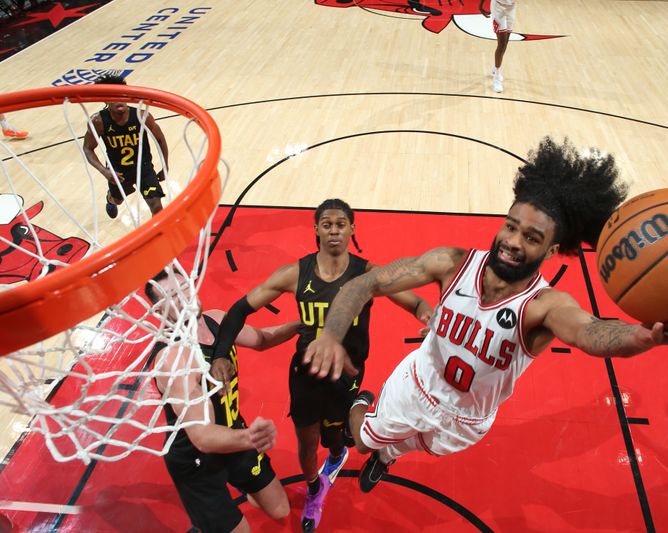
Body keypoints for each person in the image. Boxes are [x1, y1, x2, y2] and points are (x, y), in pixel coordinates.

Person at [303, 136, 668, 493]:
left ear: (550, 250)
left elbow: (591, 333)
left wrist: (648, 337)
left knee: (408, 447)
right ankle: (364, 407)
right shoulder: (451, 262)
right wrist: (330, 335)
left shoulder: (543, 305)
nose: (512, 241)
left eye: (530, 237)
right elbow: (365, 283)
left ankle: (388, 455)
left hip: (468, 420)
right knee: (361, 439)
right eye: (510, 226)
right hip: (415, 386)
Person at [211, 198, 433, 533]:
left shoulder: (368, 274)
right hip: (306, 375)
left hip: (346, 377)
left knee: (337, 440)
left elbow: (414, 300)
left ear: (351, 229)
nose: (333, 231)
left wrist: (427, 316)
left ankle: (340, 443)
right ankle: (315, 488)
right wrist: (219, 355)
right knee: (306, 444)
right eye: (326, 224)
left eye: (340, 224)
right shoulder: (295, 274)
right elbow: (239, 310)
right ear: (316, 229)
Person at [145, 268, 299, 533]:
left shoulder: (216, 320)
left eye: (184, 287)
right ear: (160, 311)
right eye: (173, 296)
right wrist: (251, 438)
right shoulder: (175, 359)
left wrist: (301, 326)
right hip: (196, 460)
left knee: (280, 508)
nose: (184, 297)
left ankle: (238, 480)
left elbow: (261, 339)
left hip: (233, 434)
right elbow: (203, 437)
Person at [82, 74, 168, 220]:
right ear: (105, 100)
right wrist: (105, 172)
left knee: (157, 207)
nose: (119, 100)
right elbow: (87, 148)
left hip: (144, 167)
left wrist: (165, 166)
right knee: (118, 200)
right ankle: (110, 199)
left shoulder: (142, 116)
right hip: (117, 171)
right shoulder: (98, 121)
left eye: (122, 96)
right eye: (114, 97)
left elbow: (160, 139)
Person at [481, 0, 516, 93]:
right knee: (501, 44)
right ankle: (496, 76)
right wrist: (481, 5)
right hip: (498, 7)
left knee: (505, 43)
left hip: (511, 7)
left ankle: (495, 68)